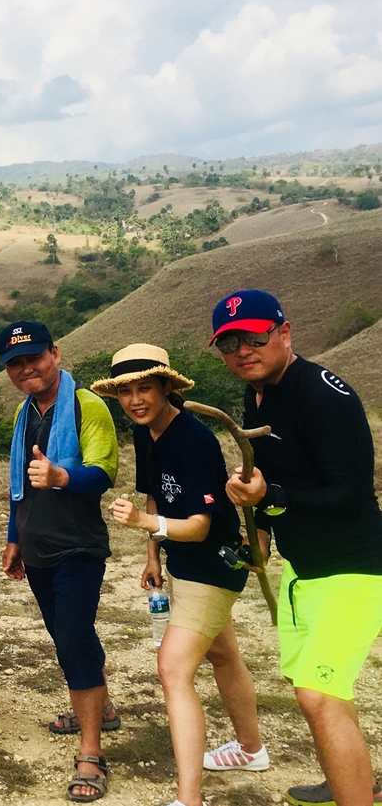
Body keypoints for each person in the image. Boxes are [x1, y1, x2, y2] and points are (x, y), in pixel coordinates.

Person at [211, 290, 382, 806]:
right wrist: (260, 531)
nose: (243, 350)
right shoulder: (258, 395)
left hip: (351, 569)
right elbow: (271, 475)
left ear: (285, 333)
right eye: (230, 343)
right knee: (320, 690)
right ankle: (351, 784)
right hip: (303, 570)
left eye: (255, 336)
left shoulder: (324, 396)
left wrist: (272, 498)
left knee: (318, 696)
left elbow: (350, 493)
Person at [92, 344, 268, 806]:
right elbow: (154, 494)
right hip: (182, 565)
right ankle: (251, 749)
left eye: (145, 388)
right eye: (125, 392)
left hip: (214, 566)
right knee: (224, 655)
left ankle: (189, 798)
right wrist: (152, 554)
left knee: (172, 669)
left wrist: (144, 524)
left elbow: (199, 526)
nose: (135, 400)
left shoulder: (194, 440)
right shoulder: (146, 432)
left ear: (166, 387)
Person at [0, 320, 119, 803]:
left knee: (71, 641)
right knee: (70, 632)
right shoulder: (23, 413)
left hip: (78, 545)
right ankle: (101, 706)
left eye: (34, 357)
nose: (26, 368)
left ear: (56, 353)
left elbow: (103, 473)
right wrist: (14, 538)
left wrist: (61, 476)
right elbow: (20, 483)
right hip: (38, 546)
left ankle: (91, 751)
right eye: (15, 363)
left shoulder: (87, 404)